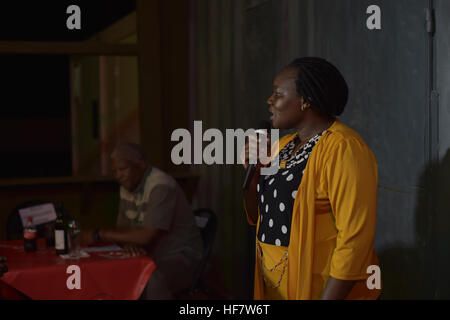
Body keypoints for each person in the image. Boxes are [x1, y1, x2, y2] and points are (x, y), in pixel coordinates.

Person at [242, 57, 381, 300]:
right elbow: (257, 217)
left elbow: (355, 240)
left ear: (306, 100)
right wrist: (253, 173)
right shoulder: (282, 146)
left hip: (318, 289)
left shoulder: (344, 149)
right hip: (274, 286)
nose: (270, 101)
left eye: (278, 93)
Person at [81, 142, 204, 299]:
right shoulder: (127, 185)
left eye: (123, 169)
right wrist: (130, 243)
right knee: (111, 272)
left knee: (149, 278)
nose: (118, 176)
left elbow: (146, 236)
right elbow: (122, 229)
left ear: (140, 165)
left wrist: (98, 234)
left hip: (182, 257)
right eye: (115, 171)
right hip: (149, 254)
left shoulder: (160, 185)